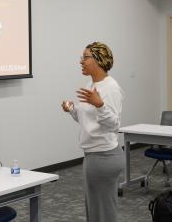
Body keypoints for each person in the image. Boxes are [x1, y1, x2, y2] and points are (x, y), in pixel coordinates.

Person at [61, 41, 124, 222]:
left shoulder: (110, 87)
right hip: (93, 156)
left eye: (85, 57)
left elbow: (114, 125)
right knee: (96, 211)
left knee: (103, 212)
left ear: (99, 60)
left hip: (104, 156)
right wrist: (72, 110)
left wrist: (100, 105)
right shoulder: (91, 84)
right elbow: (88, 120)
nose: (81, 61)